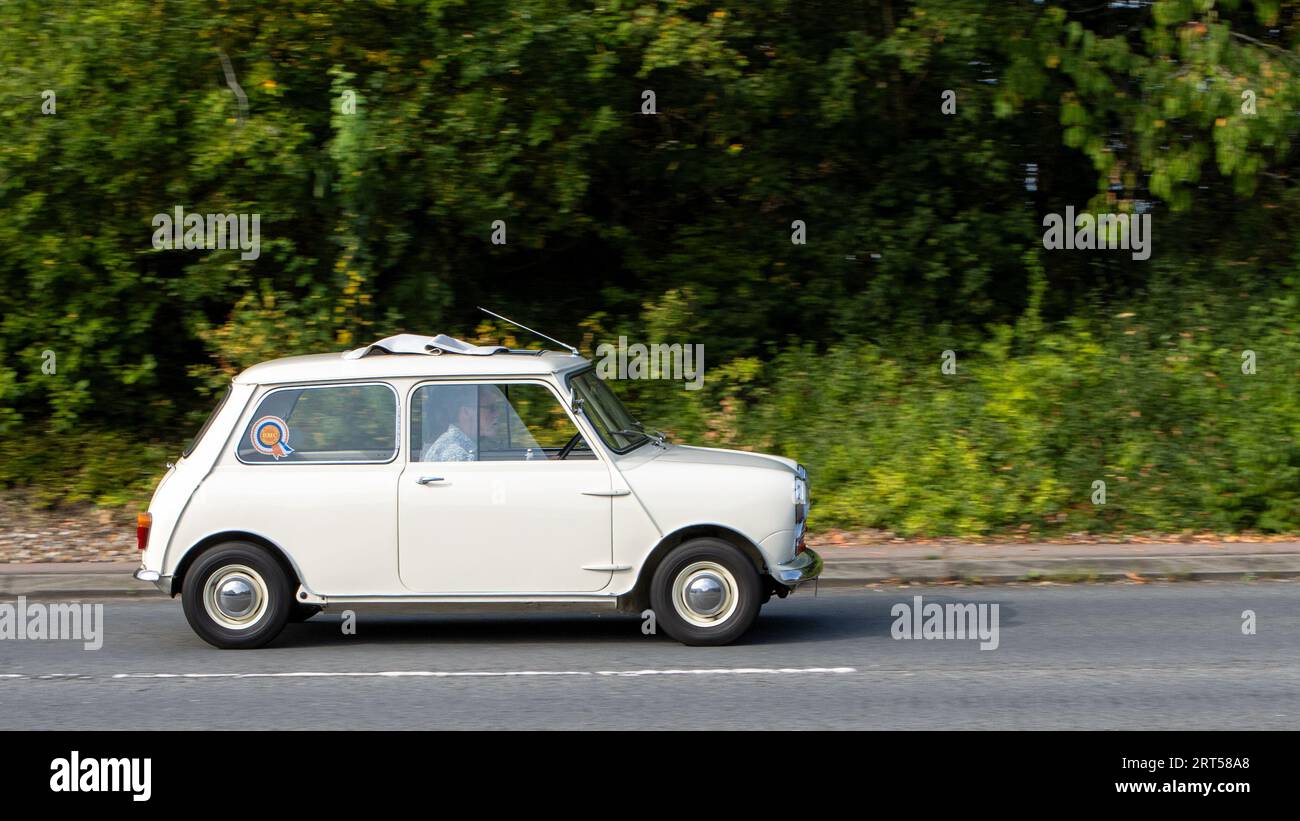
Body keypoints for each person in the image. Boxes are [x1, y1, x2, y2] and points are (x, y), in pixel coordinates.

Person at [420, 386, 502, 462]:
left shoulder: (458, 443)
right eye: (491, 408)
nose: (497, 414)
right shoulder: (455, 453)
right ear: (466, 412)